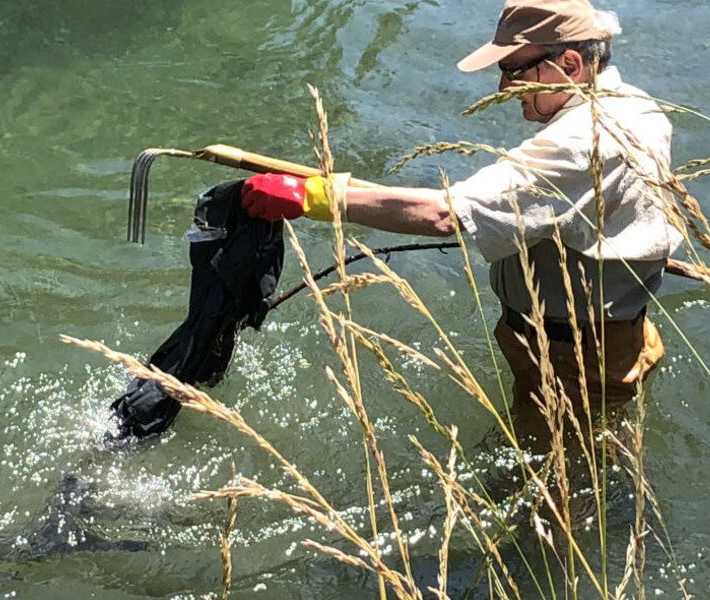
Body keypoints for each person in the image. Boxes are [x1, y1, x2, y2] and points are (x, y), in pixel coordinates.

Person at [239, 0, 682, 449]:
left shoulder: (581, 142)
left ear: (568, 64)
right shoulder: (637, 108)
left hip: (574, 357)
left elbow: (443, 214)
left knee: (544, 489)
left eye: (515, 69)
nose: (504, 86)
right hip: (615, 335)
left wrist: (314, 197)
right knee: (596, 451)